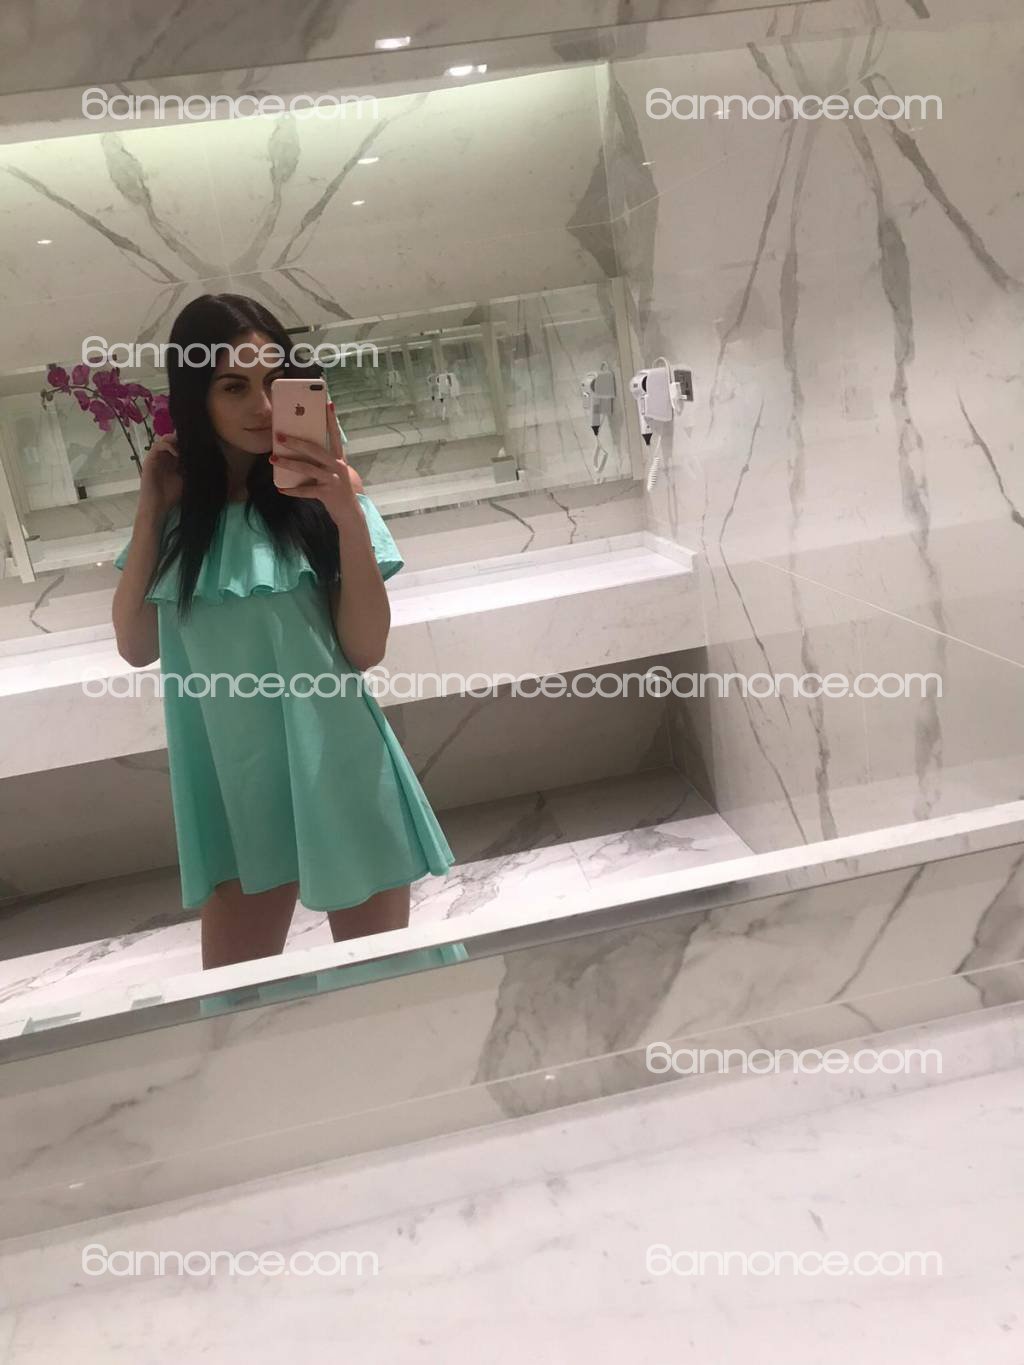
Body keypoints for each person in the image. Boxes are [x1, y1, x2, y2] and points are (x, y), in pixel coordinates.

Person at [111, 293, 455, 970]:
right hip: (234, 786)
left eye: (275, 381)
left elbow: (365, 649)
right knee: (236, 1000)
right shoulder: (177, 519)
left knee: (386, 985)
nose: (264, 406)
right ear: (196, 396)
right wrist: (150, 510)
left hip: (340, 764)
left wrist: (346, 512)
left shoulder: (331, 495)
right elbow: (136, 646)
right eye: (233, 386)